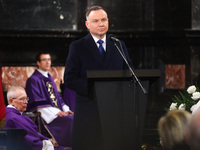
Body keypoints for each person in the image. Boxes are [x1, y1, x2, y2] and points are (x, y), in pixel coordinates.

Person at [64, 5, 133, 150]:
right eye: (96, 21)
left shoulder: (118, 45)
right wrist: (95, 90)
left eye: (104, 20)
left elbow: (129, 73)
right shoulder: (78, 46)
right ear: (87, 24)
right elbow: (70, 78)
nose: (101, 24)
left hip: (115, 110)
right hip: (89, 110)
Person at [25, 52, 74, 147]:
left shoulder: (49, 78)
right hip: (45, 116)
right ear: (38, 63)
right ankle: (66, 146)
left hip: (55, 112)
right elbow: (36, 102)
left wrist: (66, 109)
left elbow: (57, 98)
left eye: (49, 59)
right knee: (70, 121)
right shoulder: (33, 80)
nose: (48, 62)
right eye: (44, 60)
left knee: (73, 117)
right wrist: (56, 112)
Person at [3, 86, 71, 150]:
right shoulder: (13, 118)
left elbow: (33, 134)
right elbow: (30, 142)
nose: (26, 102)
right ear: (11, 101)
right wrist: (49, 143)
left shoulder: (18, 115)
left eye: (26, 98)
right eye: (22, 99)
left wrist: (47, 139)